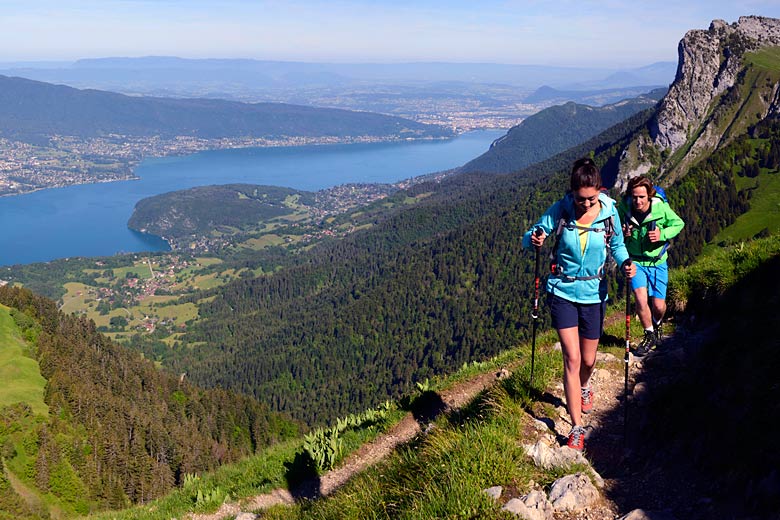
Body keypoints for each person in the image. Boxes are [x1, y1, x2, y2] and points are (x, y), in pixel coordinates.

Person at [523, 157, 635, 451]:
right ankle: (576, 427)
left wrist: (626, 263)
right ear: (572, 193)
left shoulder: (610, 213)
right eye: (581, 199)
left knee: (588, 360)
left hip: (595, 294)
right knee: (572, 359)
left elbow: (619, 247)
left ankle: (585, 386)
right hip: (562, 291)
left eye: (592, 198)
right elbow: (533, 234)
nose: (586, 204)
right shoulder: (561, 210)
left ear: (600, 190)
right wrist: (534, 238)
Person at [618, 176, 685, 357]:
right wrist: (623, 232)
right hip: (636, 261)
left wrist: (662, 234)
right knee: (640, 298)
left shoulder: (660, 208)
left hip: (657, 262)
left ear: (649, 195)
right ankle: (649, 334)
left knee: (658, 305)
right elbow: (616, 229)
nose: (638, 201)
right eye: (634, 197)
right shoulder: (624, 207)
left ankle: (657, 324)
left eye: (642, 197)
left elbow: (679, 223)